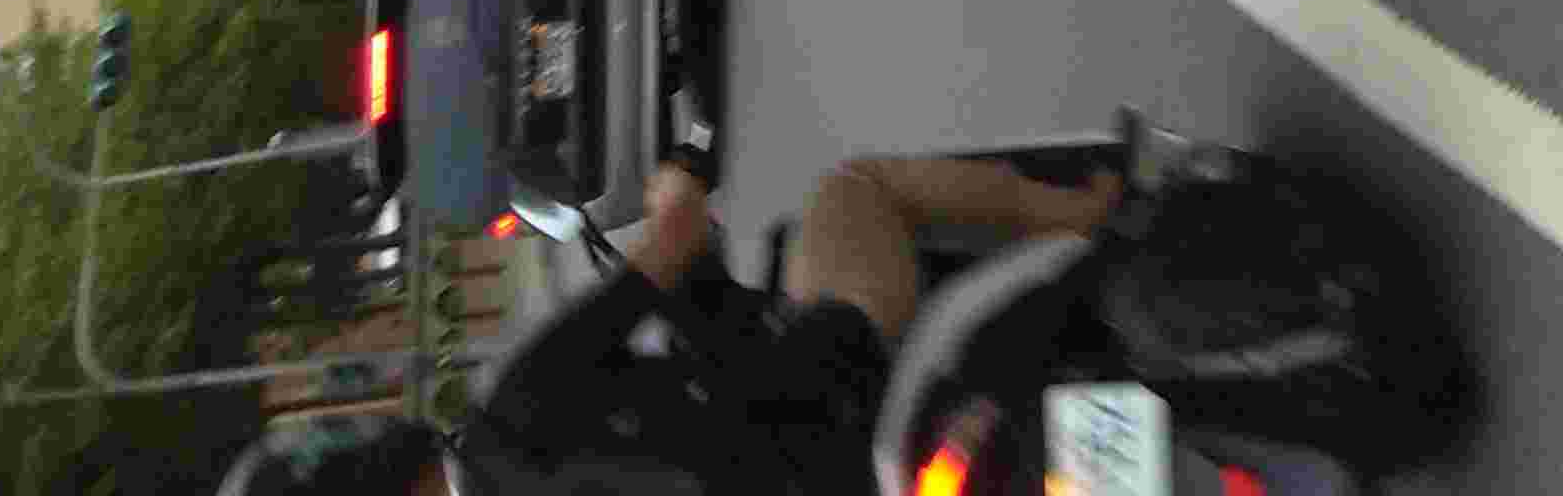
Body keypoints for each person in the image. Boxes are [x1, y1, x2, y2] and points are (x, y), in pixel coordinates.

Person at [210, 151, 1120, 496]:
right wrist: (674, 184)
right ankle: (1098, 211)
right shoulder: (505, 412)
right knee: (854, 189)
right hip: (836, 413)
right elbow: (677, 242)